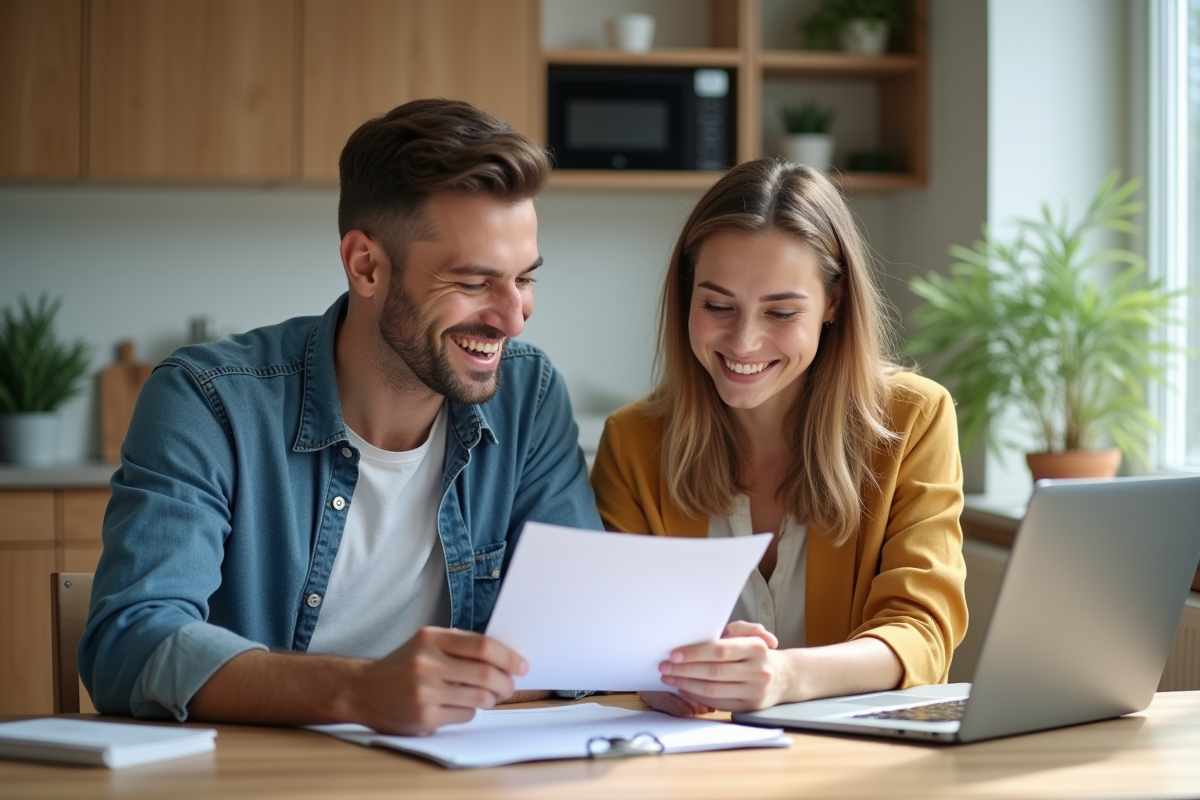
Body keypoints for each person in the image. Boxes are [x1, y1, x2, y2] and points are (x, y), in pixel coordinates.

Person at [80, 99, 602, 735]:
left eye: (525, 279)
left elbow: (583, 634)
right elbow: (128, 645)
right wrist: (361, 691)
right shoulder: (208, 400)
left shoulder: (529, 395)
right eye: (473, 282)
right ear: (367, 266)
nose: (513, 315)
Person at [589, 159, 968, 718]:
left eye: (782, 311)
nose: (743, 341)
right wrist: (656, 679)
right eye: (717, 306)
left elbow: (922, 632)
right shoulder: (633, 442)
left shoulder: (914, 418)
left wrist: (784, 676)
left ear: (833, 304)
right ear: (686, 296)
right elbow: (611, 638)